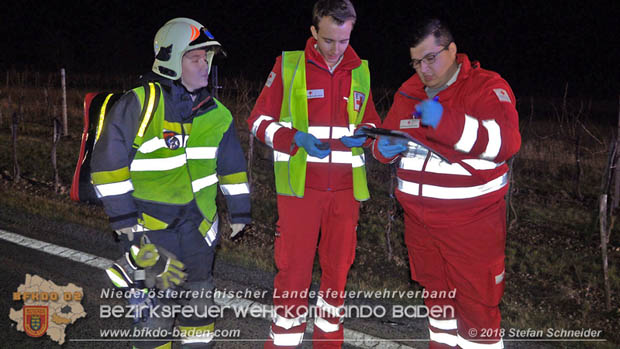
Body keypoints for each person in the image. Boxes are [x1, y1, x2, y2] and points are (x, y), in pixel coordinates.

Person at [91, 17, 251, 348]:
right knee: (154, 316)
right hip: (151, 232)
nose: (204, 66)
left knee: (200, 306)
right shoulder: (139, 104)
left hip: (199, 230)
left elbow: (232, 167)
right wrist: (125, 222)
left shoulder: (218, 114)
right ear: (170, 59)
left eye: (206, 58)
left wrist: (239, 211)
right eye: (195, 58)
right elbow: (107, 168)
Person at [372, 18, 521, 349]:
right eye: (415, 61)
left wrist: (446, 122)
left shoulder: (486, 87)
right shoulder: (409, 91)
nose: (422, 69)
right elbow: (388, 138)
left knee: (478, 315)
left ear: (452, 50)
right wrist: (382, 147)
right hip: (419, 224)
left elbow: (506, 143)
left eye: (430, 58)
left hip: (471, 225)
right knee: (438, 310)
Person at [247, 1, 381, 347]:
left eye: (344, 41)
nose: (336, 50)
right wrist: (295, 139)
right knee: (293, 278)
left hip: (346, 195)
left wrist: (367, 134)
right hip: (300, 192)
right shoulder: (289, 65)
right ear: (313, 33)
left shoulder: (361, 70)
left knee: (337, 279)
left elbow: (371, 122)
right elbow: (257, 122)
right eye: (328, 40)